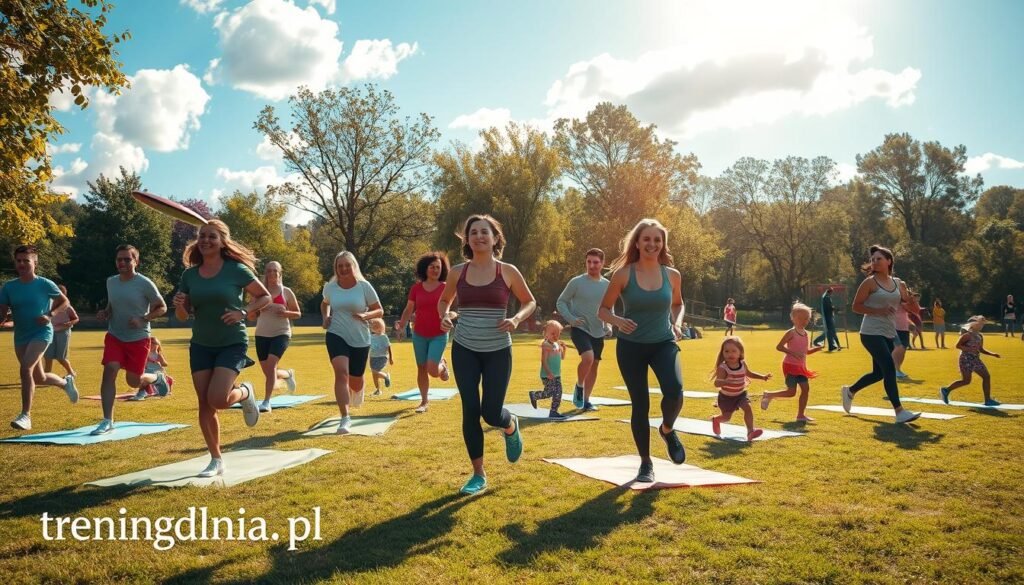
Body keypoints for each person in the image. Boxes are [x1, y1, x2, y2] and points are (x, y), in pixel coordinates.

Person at [438, 214, 536, 496]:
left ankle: (509, 424)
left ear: (495, 239)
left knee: (491, 413)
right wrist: (445, 315)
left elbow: (529, 301)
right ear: (467, 240)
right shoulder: (458, 272)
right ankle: (478, 474)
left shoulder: (508, 271)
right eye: (473, 232)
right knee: (470, 409)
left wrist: (516, 318)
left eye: (485, 232)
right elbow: (444, 300)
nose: (479, 236)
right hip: (465, 348)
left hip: (498, 350)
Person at [173, 220, 271, 477]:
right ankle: (216, 459)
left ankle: (245, 392)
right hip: (201, 344)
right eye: (202, 236)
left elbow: (264, 296)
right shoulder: (189, 276)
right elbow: (183, 316)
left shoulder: (236, 270)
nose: (205, 240)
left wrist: (243, 312)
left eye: (212, 236)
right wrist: (180, 305)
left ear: (222, 241)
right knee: (204, 404)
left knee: (217, 399)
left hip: (231, 342)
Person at [599, 218, 686, 484]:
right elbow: (603, 310)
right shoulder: (623, 274)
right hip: (631, 347)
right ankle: (646, 463)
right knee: (641, 404)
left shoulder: (672, 275)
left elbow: (678, 304)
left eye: (657, 240)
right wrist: (618, 321)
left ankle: (667, 429)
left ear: (663, 244)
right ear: (637, 242)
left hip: (663, 343)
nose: (652, 244)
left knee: (674, 390)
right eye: (646, 239)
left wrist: (677, 323)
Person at [840, 245, 921, 424]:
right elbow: (856, 307)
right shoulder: (869, 282)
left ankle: (850, 391)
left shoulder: (898, 283)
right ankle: (899, 412)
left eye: (879, 259)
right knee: (890, 367)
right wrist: (879, 310)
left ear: (889, 261)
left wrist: (911, 301)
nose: (875, 262)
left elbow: (910, 307)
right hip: (870, 332)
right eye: (873, 259)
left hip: (889, 332)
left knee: (879, 373)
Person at [93, 245, 169, 435]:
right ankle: (107, 420)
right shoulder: (111, 282)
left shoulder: (144, 283)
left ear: (136, 261)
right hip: (115, 336)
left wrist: (144, 318)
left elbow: (162, 307)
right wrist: (105, 313)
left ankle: (158, 377)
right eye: (119, 259)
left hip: (138, 339)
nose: (122, 263)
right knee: (109, 371)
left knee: (134, 382)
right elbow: (112, 305)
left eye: (127, 259)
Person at [0, 245, 78, 430]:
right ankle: (64, 382)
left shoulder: (44, 284)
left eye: (26, 261)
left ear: (35, 263)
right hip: (21, 335)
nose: (21, 264)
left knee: (25, 368)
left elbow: (64, 301)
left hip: (42, 332)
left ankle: (25, 416)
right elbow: (2, 313)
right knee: (39, 377)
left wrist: (50, 315)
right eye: (18, 260)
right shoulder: (9, 287)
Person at [321, 251, 384, 433]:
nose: (343, 269)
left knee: (355, 382)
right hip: (336, 334)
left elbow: (379, 310)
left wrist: (366, 315)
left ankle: (358, 388)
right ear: (336, 268)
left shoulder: (364, 286)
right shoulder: (331, 287)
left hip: (360, 338)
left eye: (347, 265)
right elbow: (325, 303)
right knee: (341, 373)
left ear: (353, 266)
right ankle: (345, 418)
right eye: (340, 266)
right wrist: (325, 317)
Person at [395, 252, 451, 413]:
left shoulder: (445, 287)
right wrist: (401, 327)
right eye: (432, 267)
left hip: (439, 334)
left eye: (438, 267)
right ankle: (424, 401)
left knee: (432, 370)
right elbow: (409, 309)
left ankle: (442, 366)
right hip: (419, 334)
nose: (435, 270)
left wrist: (449, 317)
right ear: (425, 268)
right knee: (421, 367)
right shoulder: (416, 288)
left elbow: (450, 308)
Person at [556, 248, 610, 412]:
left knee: (594, 365)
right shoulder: (576, 282)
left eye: (596, 262)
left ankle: (586, 401)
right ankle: (579, 386)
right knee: (588, 358)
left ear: (602, 263)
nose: (592, 265)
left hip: (598, 331)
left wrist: (609, 325)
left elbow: (608, 307)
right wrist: (571, 319)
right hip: (580, 328)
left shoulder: (607, 285)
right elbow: (561, 302)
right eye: (589, 262)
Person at [250, 261, 300, 413]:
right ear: (265, 273)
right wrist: (256, 311)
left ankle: (266, 402)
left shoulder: (286, 292)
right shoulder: (259, 293)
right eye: (269, 270)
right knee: (269, 371)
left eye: (275, 271)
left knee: (271, 366)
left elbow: (298, 313)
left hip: (281, 333)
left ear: (280, 273)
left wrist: (286, 313)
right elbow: (251, 316)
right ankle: (287, 374)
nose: (272, 273)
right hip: (262, 334)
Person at [761, 302, 821, 422]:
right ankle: (769, 395)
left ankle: (800, 415)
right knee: (791, 392)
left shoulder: (806, 334)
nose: (803, 321)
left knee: (805, 389)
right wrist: (792, 353)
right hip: (790, 365)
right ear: (793, 318)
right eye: (800, 318)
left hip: (801, 367)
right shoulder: (791, 332)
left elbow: (805, 352)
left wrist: (816, 349)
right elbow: (779, 347)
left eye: (806, 318)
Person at [710, 336, 769, 441]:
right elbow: (717, 383)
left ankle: (750, 432)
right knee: (727, 417)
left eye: (734, 351)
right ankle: (716, 420)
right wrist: (726, 381)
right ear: (723, 353)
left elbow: (749, 373)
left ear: (740, 352)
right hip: (726, 398)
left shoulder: (742, 363)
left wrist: (762, 377)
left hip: (741, 394)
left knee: (747, 408)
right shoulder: (723, 367)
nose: (730, 354)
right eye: (726, 351)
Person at [940, 316, 1001, 406]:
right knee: (966, 381)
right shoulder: (967, 335)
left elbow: (981, 349)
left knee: (986, 376)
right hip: (965, 359)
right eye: (980, 324)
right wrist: (969, 349)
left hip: (976, 359)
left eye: (982, 324)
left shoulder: (980, 336)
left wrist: (992, 354)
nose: (981, 326)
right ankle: (946, 390)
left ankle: (988, 400)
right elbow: (958, 346)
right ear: (973, 325)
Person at [528, 320, 567, 419]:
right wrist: (549, 373)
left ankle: (553, 411)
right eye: (553, 333)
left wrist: (564, 349)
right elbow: (544, 361)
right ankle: (535, 395)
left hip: (557, 375)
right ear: (545, 333)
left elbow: (562, 357)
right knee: (550, 392)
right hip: (547, 375)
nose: (555, 336)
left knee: (558, 392)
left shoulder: (556, 344)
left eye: (557, 334)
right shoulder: (546, 345)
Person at [43, 284, 79, 377]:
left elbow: (76, 319)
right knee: (48, 356)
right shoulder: (48, 304)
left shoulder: (67, 306)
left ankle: (71, 373)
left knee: (61, 357)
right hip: (50, 332)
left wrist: (69, 323)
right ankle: (46, 376)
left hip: (63, 332)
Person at [129, 337, 173, 401]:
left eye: (153, 343)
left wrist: (158, 362)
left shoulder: (158, 355)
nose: (151, 344)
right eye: (149, 343)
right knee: (143, 378)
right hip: (147, 372)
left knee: (163, 393)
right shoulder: (146, 353)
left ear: (157, 345)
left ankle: (165, 381)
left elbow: (165, 364)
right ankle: (141, 393)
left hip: (157, 374)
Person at [368, 318, 393, 396]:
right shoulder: (371, 336)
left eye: (376, 325)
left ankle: (386, 376)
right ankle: (378, 390)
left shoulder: (384, 337)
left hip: (382, 357)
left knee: (375, 372)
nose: (373, 327)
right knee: (374, 374)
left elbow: (388, 347)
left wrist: (391, 358)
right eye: (373, 326)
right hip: (373, 357)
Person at [813, 287, 841, 351]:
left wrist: (834, 309)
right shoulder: (827, 298)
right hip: (828, 318)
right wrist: (836, 309)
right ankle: (834, 346)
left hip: (828, 317)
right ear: (830, 292)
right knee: (832, 332)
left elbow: (828, 308)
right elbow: (829, 308)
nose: (832, 294)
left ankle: (833, 346)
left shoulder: (825, 297)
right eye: (832, 292)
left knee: (828, 332)